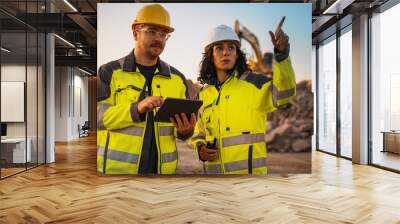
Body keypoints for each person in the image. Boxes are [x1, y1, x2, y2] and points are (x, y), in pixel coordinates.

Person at [97, 4, 195, 174]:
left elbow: (181, 133)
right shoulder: (109, 72)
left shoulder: (178, 80)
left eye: (163, 34)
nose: (159, 38)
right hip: (118, 173)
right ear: (135, 32)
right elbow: (98, 119)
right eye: (151, 31)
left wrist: (186, 132)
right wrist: (137, 108)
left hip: (163, 175)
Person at [191, 18, 296, 174]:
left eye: (231, 48)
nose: (226, 52)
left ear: (237, 54)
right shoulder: (203, 95)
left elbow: (284, 94)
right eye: (219, 48)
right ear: (210, 56)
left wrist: (281, 56)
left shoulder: (256, 84)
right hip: (214, 182)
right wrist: (200, 148)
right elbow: (198, 130)